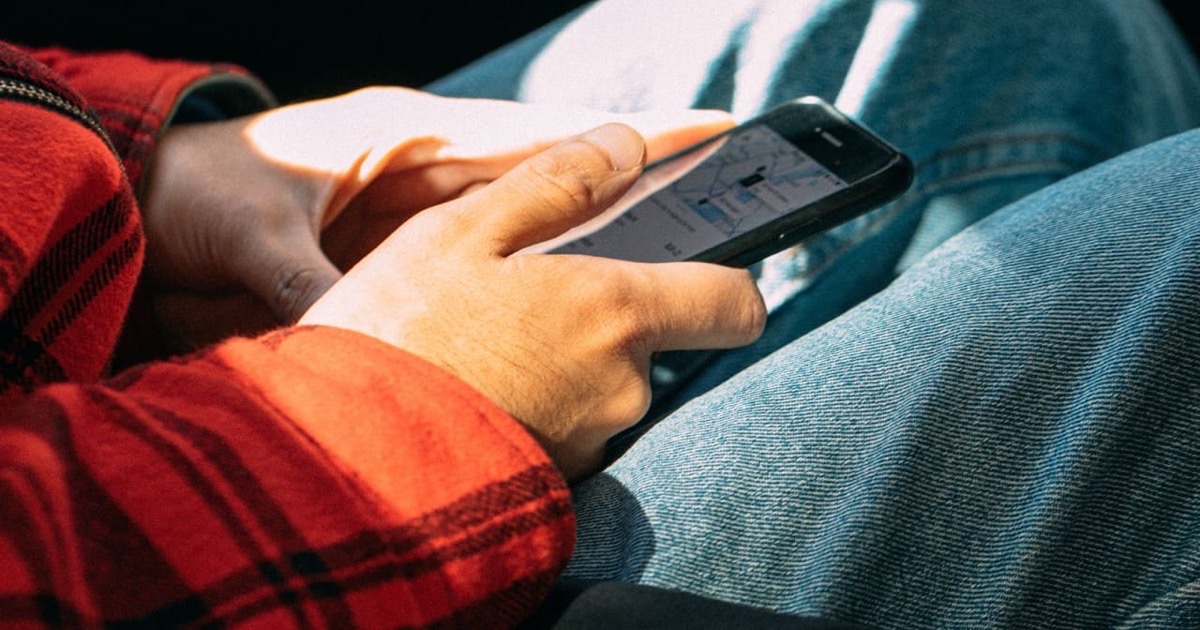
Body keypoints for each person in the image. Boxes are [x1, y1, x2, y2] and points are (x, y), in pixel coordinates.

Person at [2, 2, 1198, 629]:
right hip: (270, 532)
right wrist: (396, 400)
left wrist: (139, 161)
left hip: (127, 371)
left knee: (1017, 22)